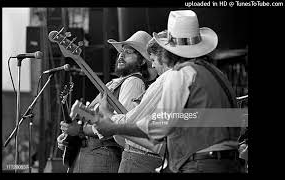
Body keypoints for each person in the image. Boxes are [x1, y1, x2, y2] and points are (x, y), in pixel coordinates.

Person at [93, 10, 243, 173]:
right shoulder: (218, 75)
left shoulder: (180, 74)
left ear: (167, 52)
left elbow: (158, 127)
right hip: (230, 165)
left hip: (199, 165)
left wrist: (113, 127)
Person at [57, 31, 162, 173]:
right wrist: (70, 133)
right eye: (121, 51)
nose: (121, 55)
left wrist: (79, 130)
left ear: (142, 60)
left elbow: (121, 127)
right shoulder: (114, 83)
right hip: (92, 154)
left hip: (102, 155)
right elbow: (95, 117)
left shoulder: (133, 82)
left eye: (128, 52)